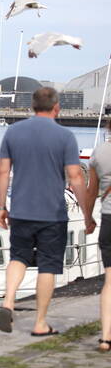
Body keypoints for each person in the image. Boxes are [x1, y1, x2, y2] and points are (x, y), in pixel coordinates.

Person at [0, 87, 96, 335]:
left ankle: (8, 301)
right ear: (56, 107)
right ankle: (40, 323)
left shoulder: (13, 132)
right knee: (48, 266)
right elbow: (75, 177)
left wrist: (1, 206)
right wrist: (86, 213)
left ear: (32, 106)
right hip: (52, 213)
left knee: (18, 258)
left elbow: (3, 172)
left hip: (20, 209)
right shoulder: (65, 136)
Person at [85, 120, 111, 352]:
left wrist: (87, 219)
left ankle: (105, 337)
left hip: (108, 221)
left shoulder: (99, 152)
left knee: (109, 281)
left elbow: (91, 191)